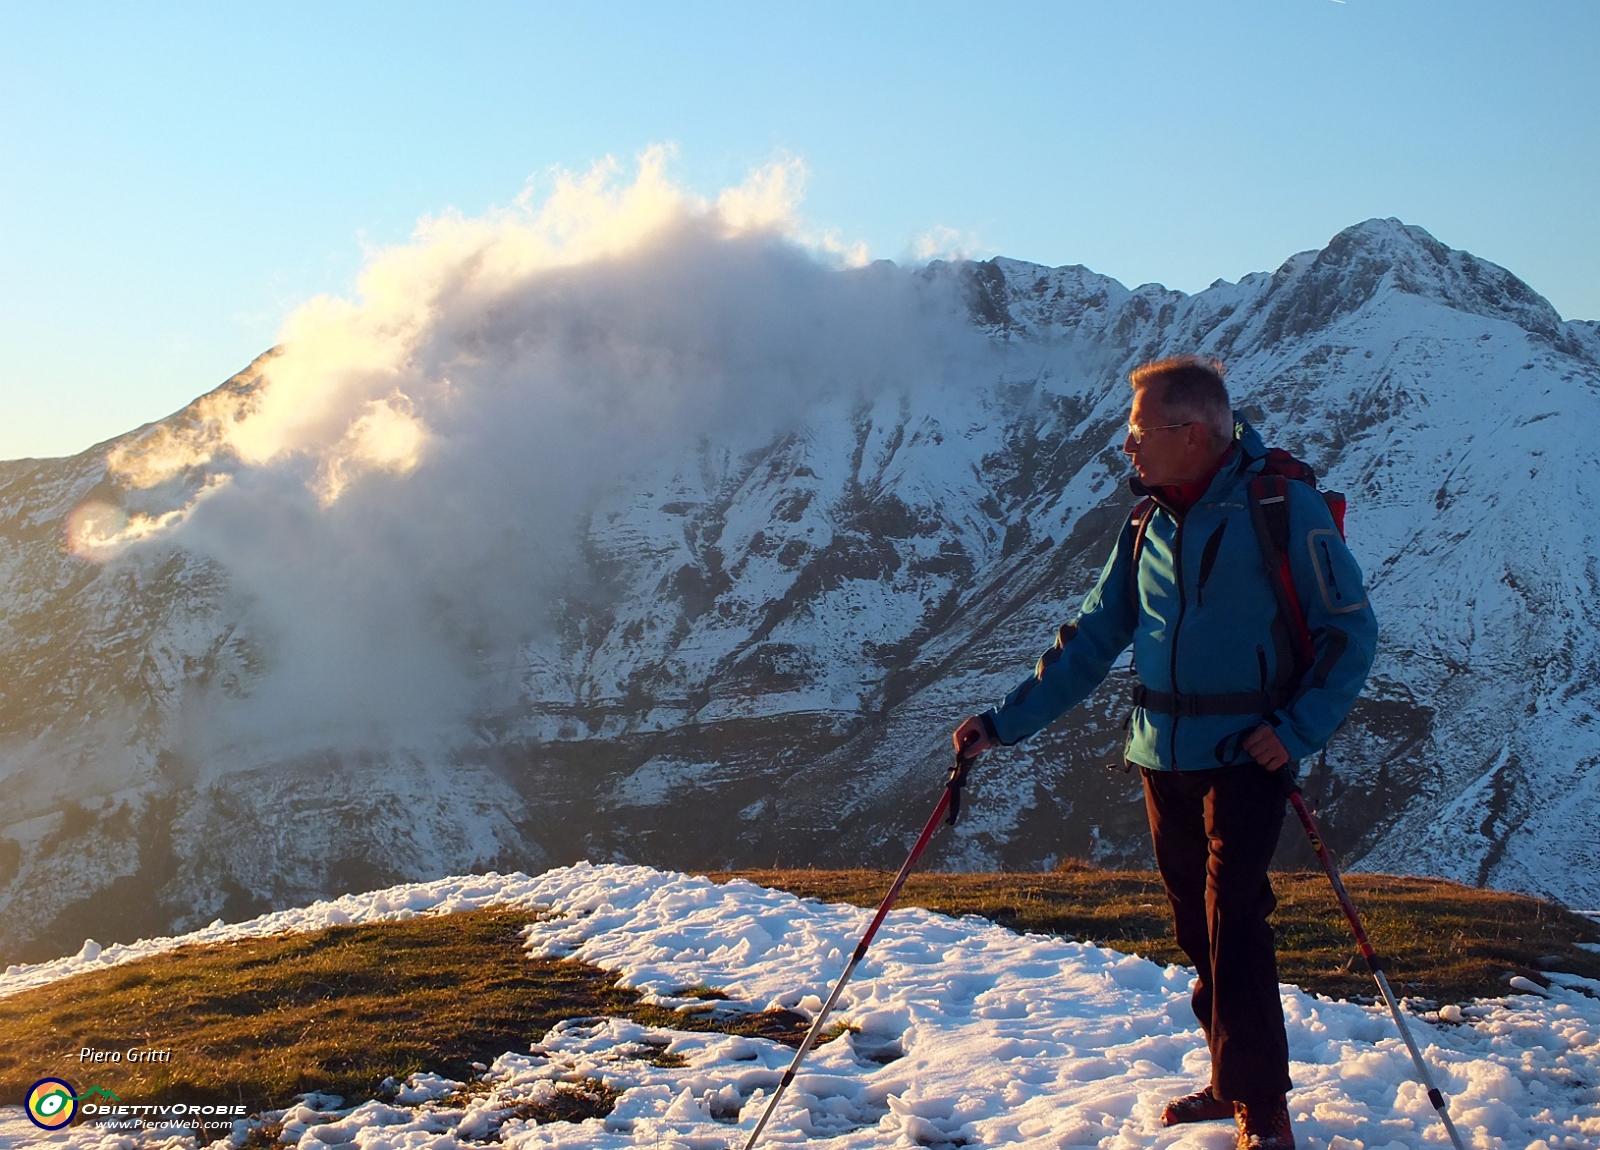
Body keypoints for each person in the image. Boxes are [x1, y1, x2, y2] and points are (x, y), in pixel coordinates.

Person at [952, 356, 1377, 1150]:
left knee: (1234, 919)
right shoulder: (1146, 522)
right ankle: (1229, 1080)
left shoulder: (1284, 507)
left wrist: (1292, 733)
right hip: (1160, 753)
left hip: (1248, 754)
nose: (1127, 447)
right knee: (1196, 926)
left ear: (1194, 433)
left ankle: (1262, 1106)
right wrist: (1001, 722)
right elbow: (1090, 637)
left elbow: (1350, 633)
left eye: (1140, 432)